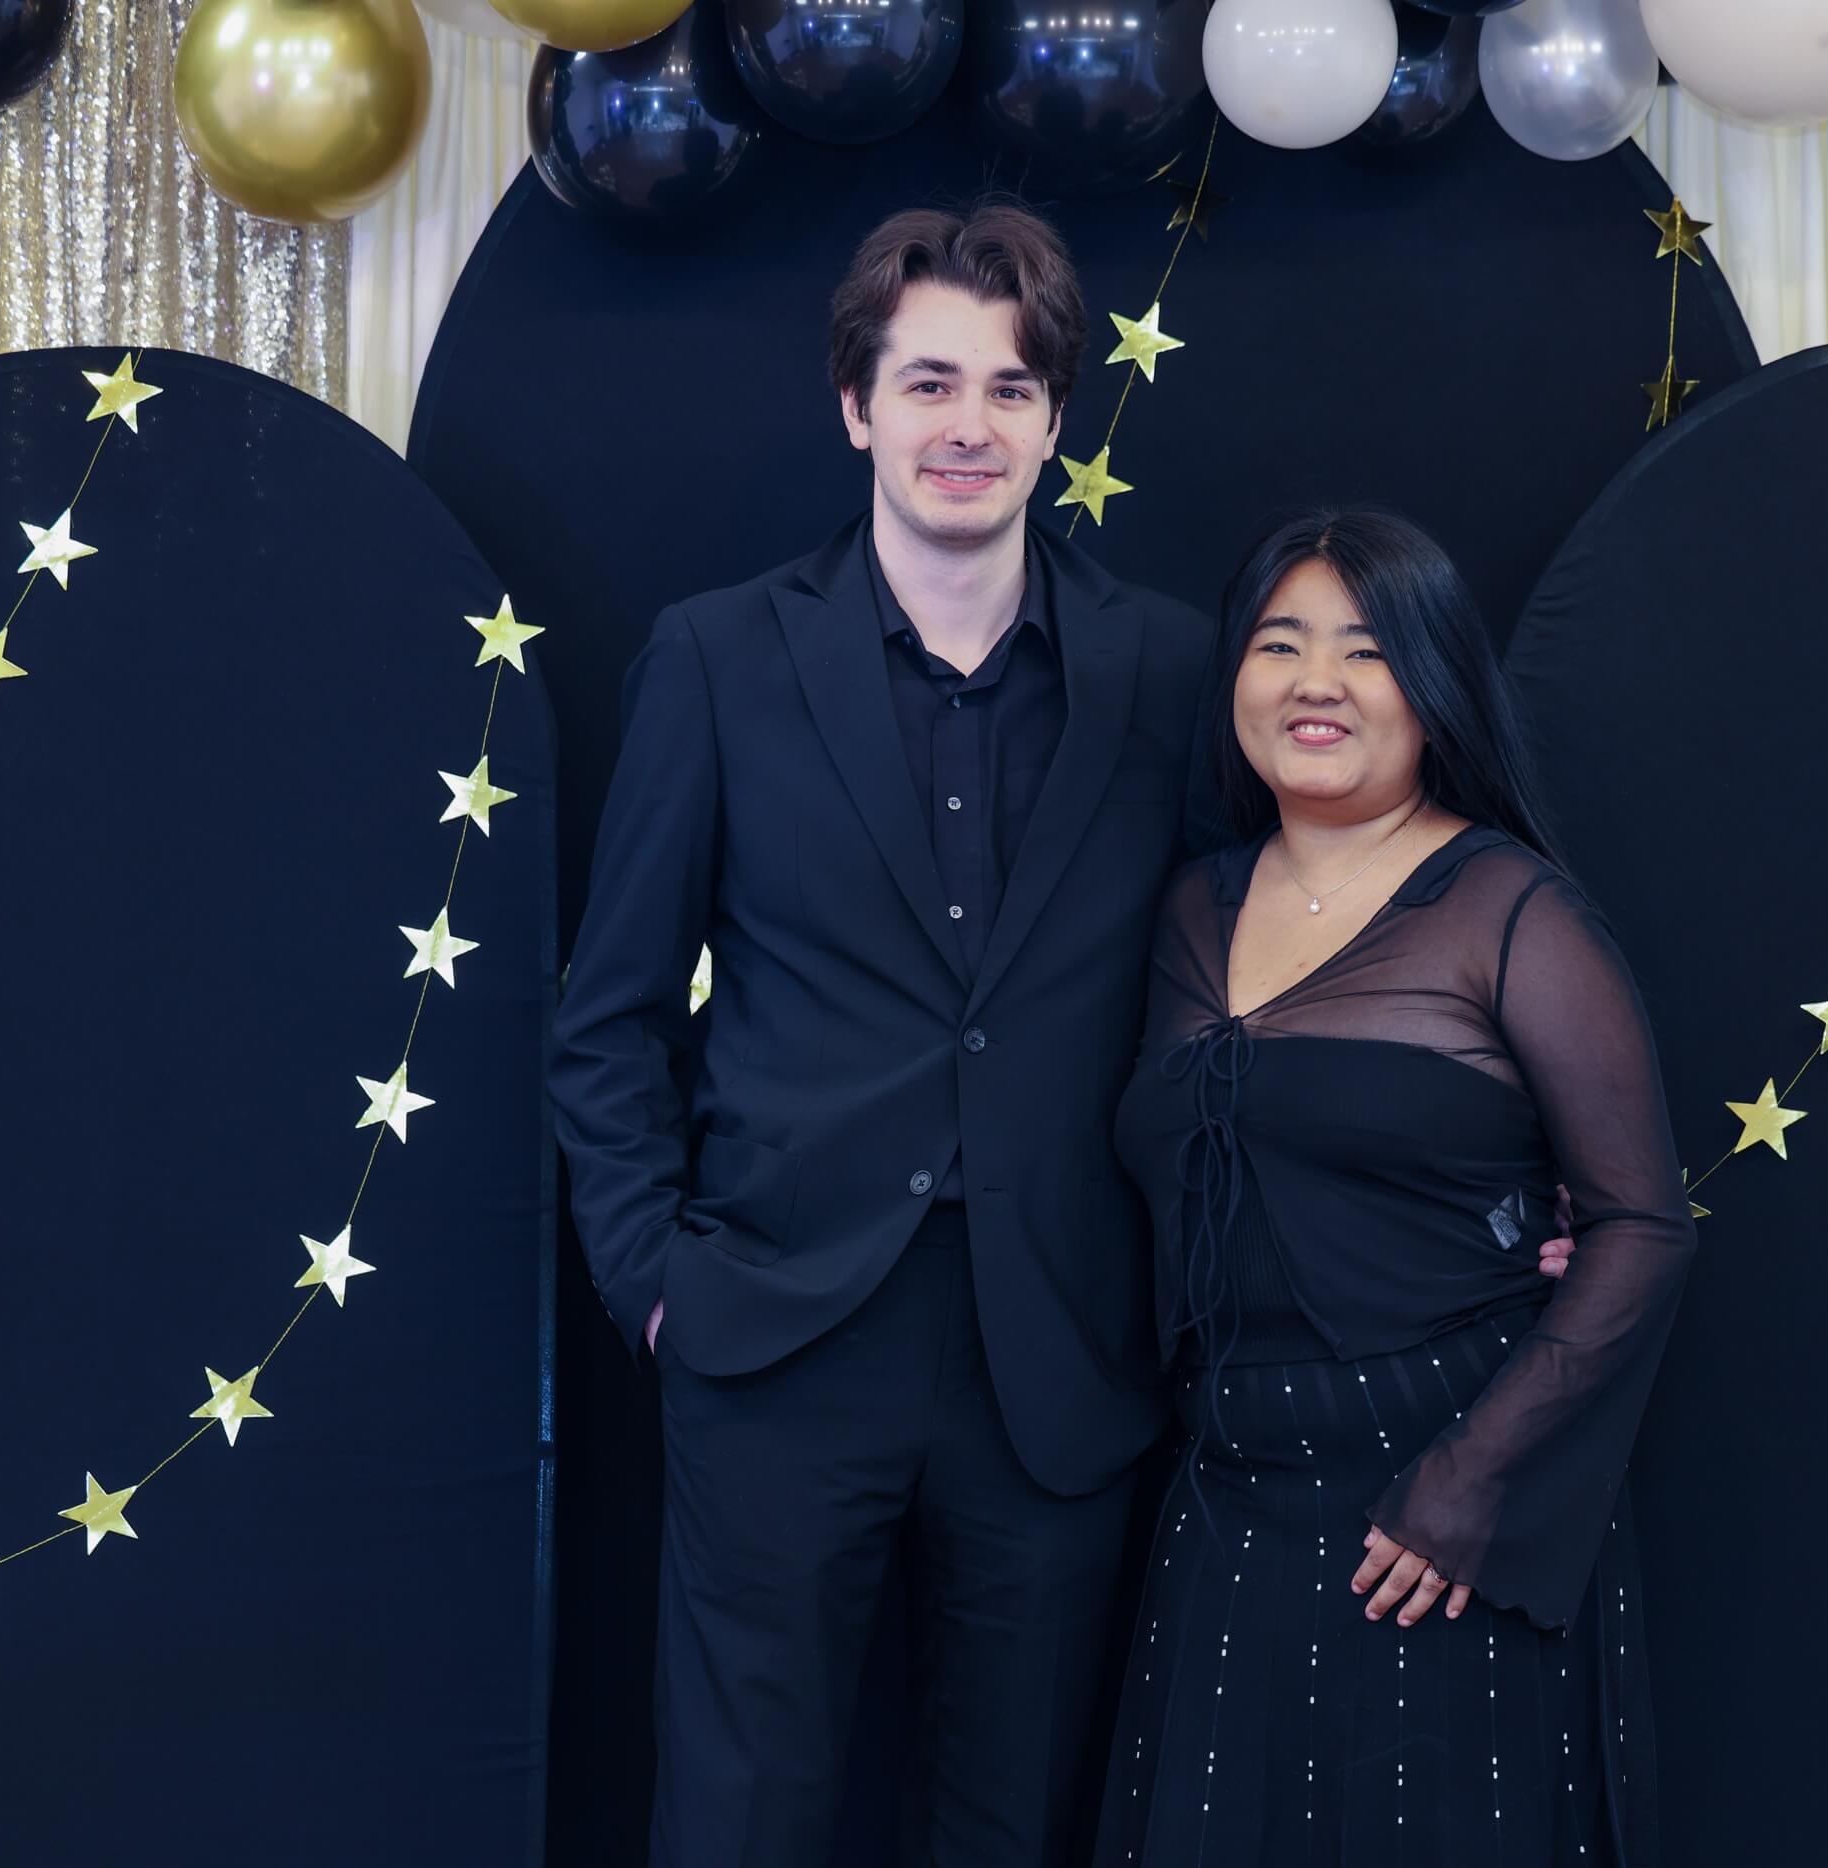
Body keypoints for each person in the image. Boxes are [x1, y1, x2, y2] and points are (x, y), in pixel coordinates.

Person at [547, 199, 1219, 1867]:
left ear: (1056, 423)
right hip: (774, 1340)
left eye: (1008, 388)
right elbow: (609, 1018)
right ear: (856, 406)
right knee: (742, 1821)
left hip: (1058, 1352)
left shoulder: (1170, 670)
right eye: (928, 383)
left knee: (1009, 1824)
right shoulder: (716, 659)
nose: (966, 425)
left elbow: (1242, 988)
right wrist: (657, 1289)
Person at [1094, 508, 1696, 1867]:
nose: (1316, 682)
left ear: (1432, 685)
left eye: (1365, 651)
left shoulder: (1510, 910)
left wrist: (1473, 1484)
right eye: (1280, 644)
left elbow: (1641, 1228)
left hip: (1437, 1512)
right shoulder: (1187, 908)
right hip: (1225, 1499)